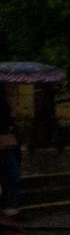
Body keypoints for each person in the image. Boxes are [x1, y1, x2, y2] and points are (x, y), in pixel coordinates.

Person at [0, 84, 22, 215]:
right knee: (11, 174)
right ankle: (10, 207)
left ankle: (10, 207)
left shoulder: (5, 101)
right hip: (5, 145)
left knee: (11, 174)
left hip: (7, 145)